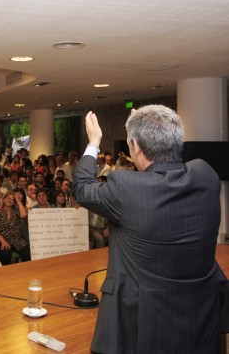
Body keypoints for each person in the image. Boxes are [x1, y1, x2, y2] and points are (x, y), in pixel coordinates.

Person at [73, 105, 227, 353]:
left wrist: (94, 143)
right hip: (200, 320)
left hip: (142, 326)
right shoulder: (205, 175)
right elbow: (170, 168)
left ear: (135, 147)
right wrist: (148, 132)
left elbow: (82, 188)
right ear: (177, 140)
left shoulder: (125, 187)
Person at [0, 191, 31, 265]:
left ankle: (26, 272)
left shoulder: (16, 211)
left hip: (17, 239)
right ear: (3, 199)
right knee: (6, 253)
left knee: (27, 253)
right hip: (2, 239)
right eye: (8, 198)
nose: (9, 200)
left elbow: (24, 215)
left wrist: (18, 200)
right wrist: (3, 241)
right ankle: (6, 274)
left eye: (12, 199)